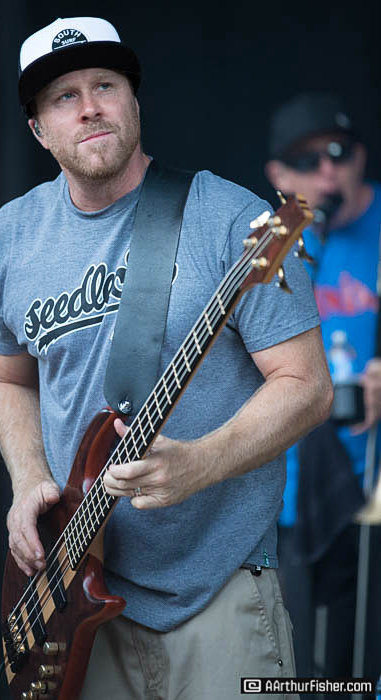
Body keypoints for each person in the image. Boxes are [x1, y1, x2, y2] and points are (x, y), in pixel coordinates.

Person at [0, 18, 332, 700]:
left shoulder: (233, 219)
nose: (89, 107)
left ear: (134, 102)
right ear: (38, 129)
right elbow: (6, 377)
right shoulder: (7, 239)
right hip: (73, 594)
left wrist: (202, 462)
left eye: (105, 85)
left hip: (217, 587)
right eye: (64, 96)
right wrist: (28, 481)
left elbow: (307, 386)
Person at [265, 92, 381, 690]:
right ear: (279, 176)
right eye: (307, 161)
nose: (327, 171)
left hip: (371, 484)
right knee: (297, 670)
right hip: (289, 495)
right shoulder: (272, 240)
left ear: (360, 156)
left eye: (338, 152)